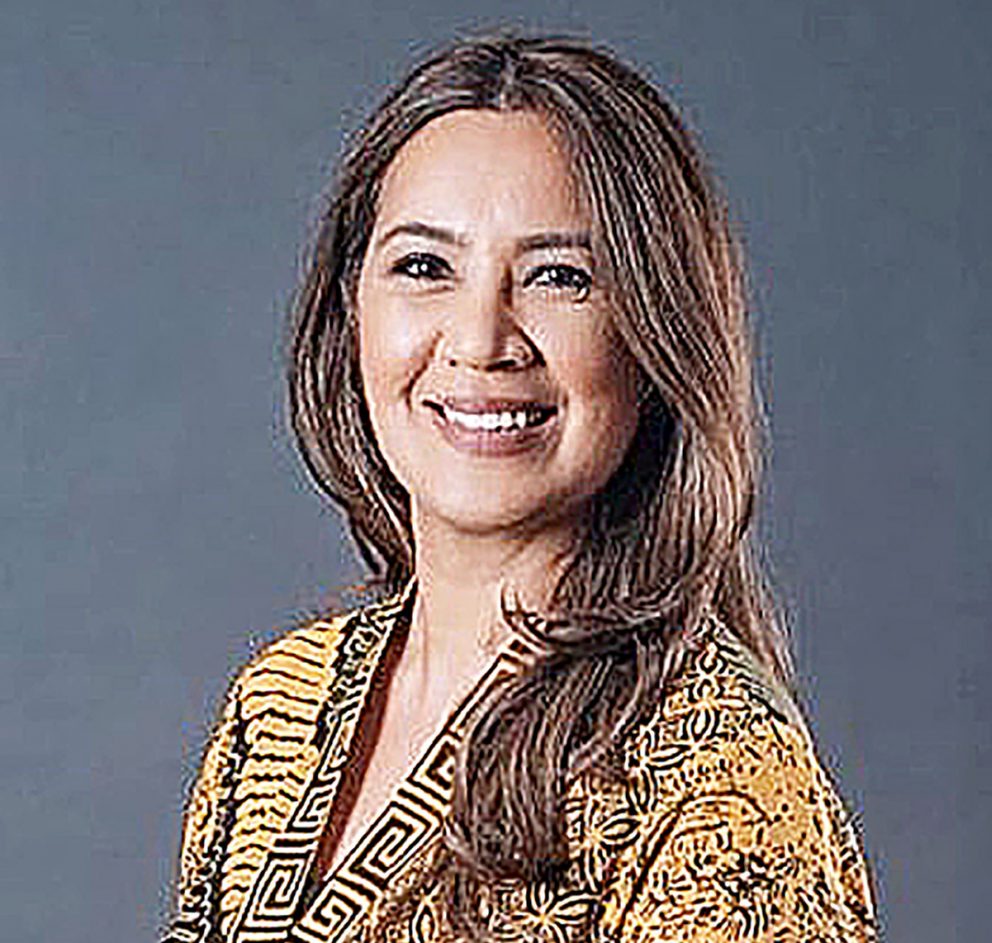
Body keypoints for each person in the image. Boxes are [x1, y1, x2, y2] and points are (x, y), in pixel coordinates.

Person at [162, 32, 878, 943]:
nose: (480, 340)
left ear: (656, 337)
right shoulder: (277, 705)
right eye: (425, 267)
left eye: (559, 277)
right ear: (351, 311)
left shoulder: (720, 774)